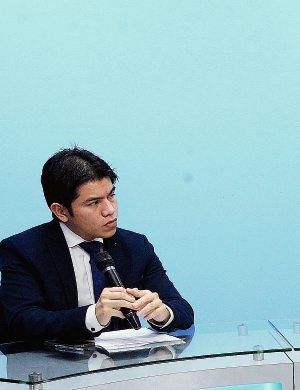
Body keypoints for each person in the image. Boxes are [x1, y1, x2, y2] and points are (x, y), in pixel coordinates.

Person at [0, 147, 194, 343]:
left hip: (122, 360)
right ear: (61, 211)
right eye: (94, 203)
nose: (110, 210)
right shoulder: (23, 251)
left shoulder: (135, 246)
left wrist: (163, 313)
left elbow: (182, 309)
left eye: (111, 195)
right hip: (53, 360)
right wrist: (94, 316)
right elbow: (22, 321)